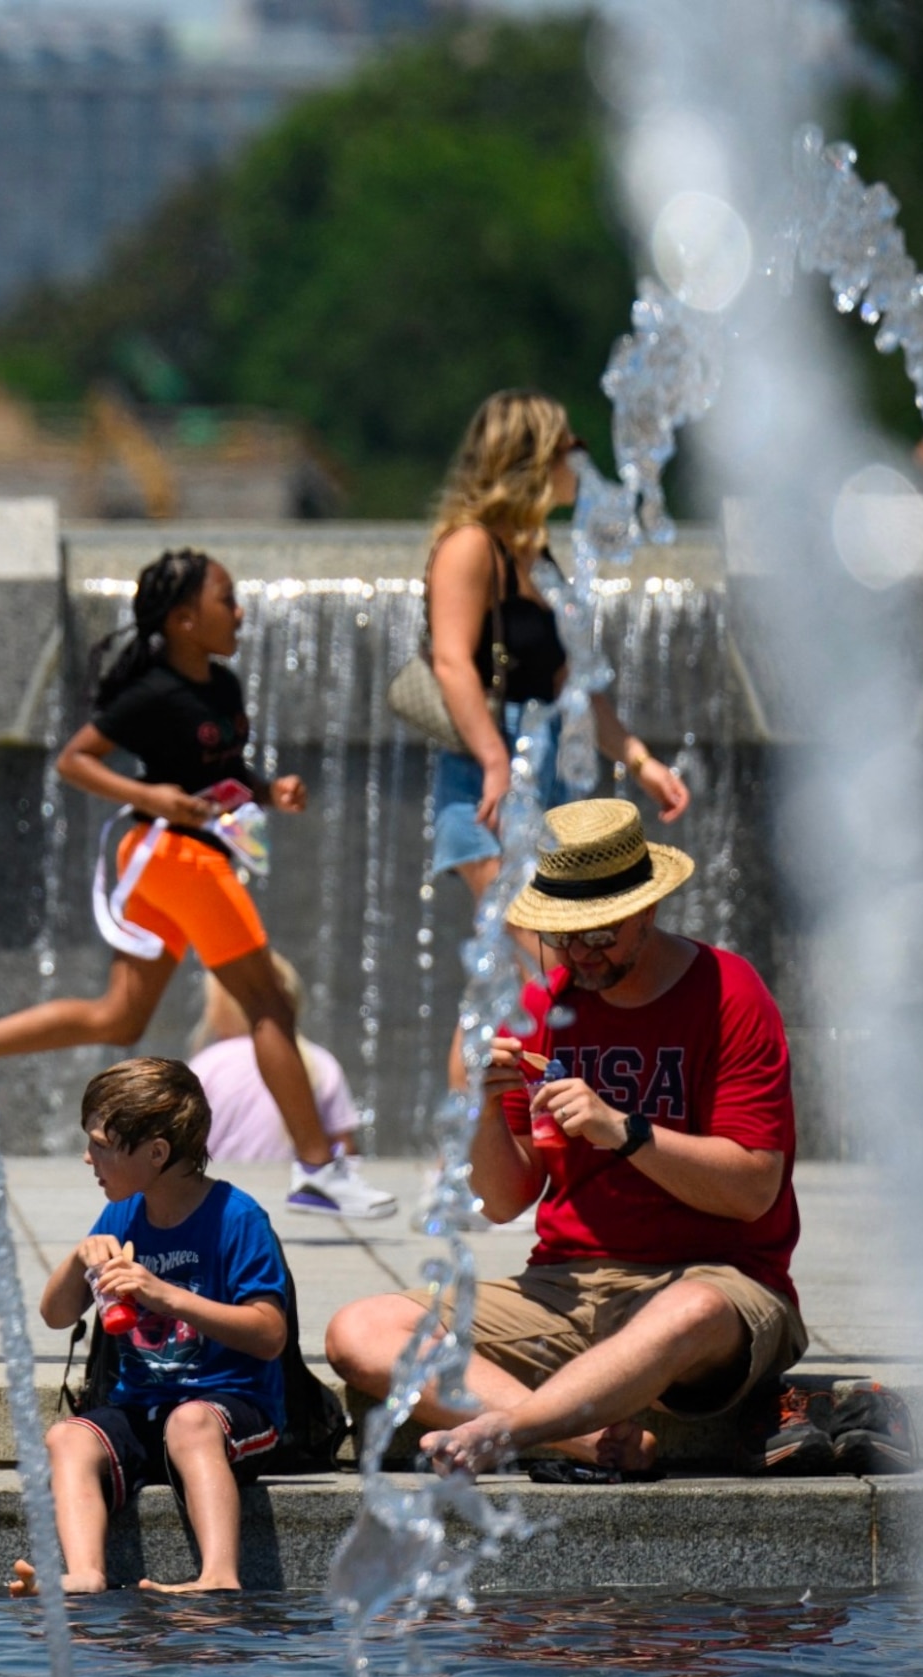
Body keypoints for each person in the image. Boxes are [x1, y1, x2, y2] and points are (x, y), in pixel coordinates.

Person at [0, 547, 396, 1221]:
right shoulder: (152, 690)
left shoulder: (222, 685)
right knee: (269, 1004)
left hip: (172, 859)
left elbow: (222, 771)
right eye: (226, 599)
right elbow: (77, 761)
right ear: (185, 618)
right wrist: (152, 796)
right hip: (174, 856)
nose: (239, 611)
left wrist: (270, 791)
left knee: (120, 1016)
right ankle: (317, 1168)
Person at [323, 800, 805, 1478]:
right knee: (360, 1331)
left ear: (647, 909)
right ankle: (587, 1440)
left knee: (688, 1311)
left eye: (598, 935)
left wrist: (625, 1131)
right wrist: (486, 1110)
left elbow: (753, 1189)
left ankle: (507, 1430)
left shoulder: (730, 993)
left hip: (719, 1281)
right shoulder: (545, 1008)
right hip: (567, 1286)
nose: (578, 953)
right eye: (563, 935)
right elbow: (502, 1202)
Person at [423, 392, 691, 1086]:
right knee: (542, 954)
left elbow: (581, 686)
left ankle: (467, 1153)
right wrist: (491, 762)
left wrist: (639, 761)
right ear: (535, 455)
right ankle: (488, 1141)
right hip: (483, 786)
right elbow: (452, 660)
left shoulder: (538, 560)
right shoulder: (470, 546)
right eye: (570, 445)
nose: (583, 460)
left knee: (505, 973)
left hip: (537, 779)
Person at [29, 1058, 293, 1596]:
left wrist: (164, 1295)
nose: (88, 1157)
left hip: (230, 1409)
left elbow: (270, 1334)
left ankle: (219, 1575)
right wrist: (80, 1257)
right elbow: (56, 1315)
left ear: (156, 1153)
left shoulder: (236, 1218)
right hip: (142, 1406)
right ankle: (85, 1573)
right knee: (67, 1437)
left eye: (101, 1144)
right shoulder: (122, 1215)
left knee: (190, 1424)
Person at [188, 957, 362, 1166]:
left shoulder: (206, 1066)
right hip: (296, 1191)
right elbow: (346, 1149)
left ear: (218, 1010)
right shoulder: (320, 1063)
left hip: (221, 1192)